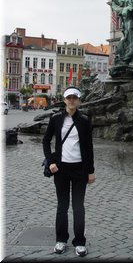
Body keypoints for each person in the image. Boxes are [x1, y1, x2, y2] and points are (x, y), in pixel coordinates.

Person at [42, 86, 95, 257]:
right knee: (62, 206)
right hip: (61, 169)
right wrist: (50, 162)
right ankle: (61, 240)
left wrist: (91, 171)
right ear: (64, 100)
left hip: (80, 169)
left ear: (79, 100)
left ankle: (79, 242)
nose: (71, 100)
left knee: (78, 207)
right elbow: (46, 140)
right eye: (69, 97)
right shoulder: (56, 118)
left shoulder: (85, 120)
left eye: (75, 97)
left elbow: (88, 147)